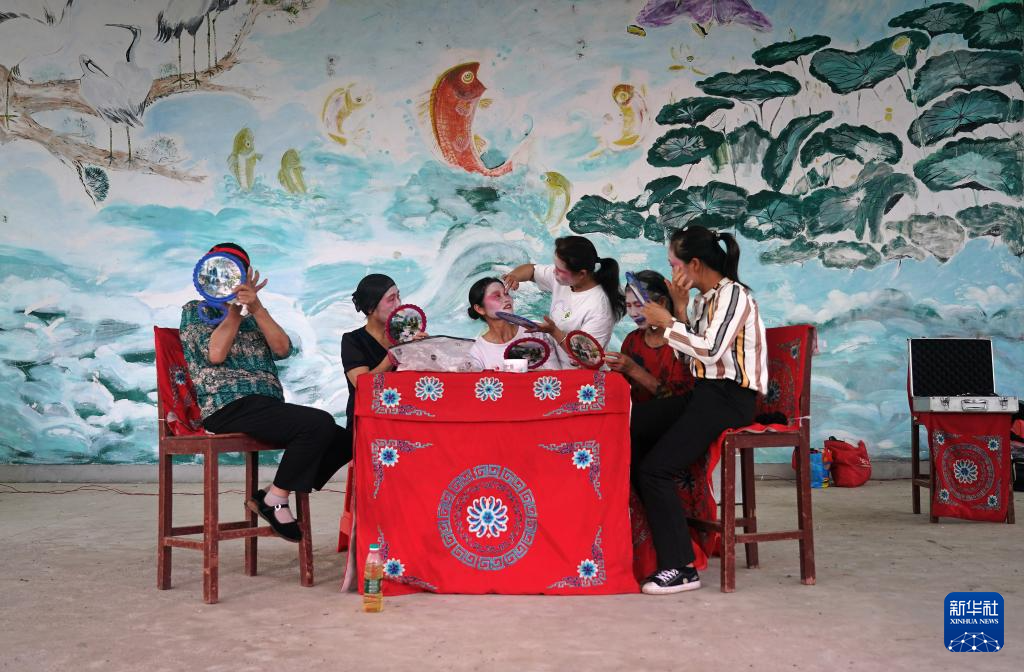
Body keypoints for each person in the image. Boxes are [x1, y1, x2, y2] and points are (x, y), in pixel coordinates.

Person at [179, 243, 352, 543]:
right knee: (318, 424)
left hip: (263, 405)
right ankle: (276, 500)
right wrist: (234, 311)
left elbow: (282, 348)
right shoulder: (196, 311)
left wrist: (256, 308)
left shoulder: (253, 318)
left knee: (346, 440)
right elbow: (216, 354)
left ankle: (275, 491)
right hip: (226, 405)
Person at [630, 226, 767, 595]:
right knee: (628, 426)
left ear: (693, 264)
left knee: (655, 469)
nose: (672, 272)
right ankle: (650, 541)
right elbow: (690, 362)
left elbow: (709, 351)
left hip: (730, 399)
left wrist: (667, 321)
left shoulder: (734, 295)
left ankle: (680, 567)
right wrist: (678, 309)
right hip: (705, 394)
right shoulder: (703, 301)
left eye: (673, 264)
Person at [501, 235, 625, 362]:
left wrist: (554, 331)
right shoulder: (565, 278)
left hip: (582, 372)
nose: (554, 272)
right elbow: (532, 270)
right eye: (555, 266)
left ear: (582, 274)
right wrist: (514, 276)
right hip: (556, 365)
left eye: (559, 270)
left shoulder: (599, 306)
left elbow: (589, 357)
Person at [340, 274, 427, 428]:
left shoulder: (406, 335)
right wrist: (396, 353)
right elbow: (362, 384)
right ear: (370, 308)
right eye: (391, 299)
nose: (399, 304)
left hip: (403, 414)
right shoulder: (352, 340)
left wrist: (425, 349)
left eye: (398, 296)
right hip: (366, 420)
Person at [605, 270, 695, 404]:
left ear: (662, 302)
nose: (633, 313)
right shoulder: (632, 340)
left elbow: (678, 400)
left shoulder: (681, 345)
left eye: (638, 305)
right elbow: (618, 384)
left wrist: (632, 369)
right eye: (628, 305)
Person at [466, 277, 556, 371]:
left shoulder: (534, 332)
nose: (506, 299)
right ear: (479, 309)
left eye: (506, 294)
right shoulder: (478, 352)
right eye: (497, 296)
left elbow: (556, 374)